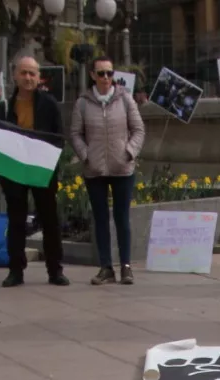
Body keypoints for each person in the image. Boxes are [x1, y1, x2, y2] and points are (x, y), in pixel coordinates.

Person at [0, 56, 68, 287]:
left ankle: (55, 270)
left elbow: (59, 138)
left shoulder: (49, 104)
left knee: (49, 220)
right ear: (15, 75)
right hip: (14, 170)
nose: (28, 78)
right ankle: (16, 270)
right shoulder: (4, 107)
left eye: (32, 73)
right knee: (16, 220)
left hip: (41, 169)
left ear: (38, 77)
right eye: (23, 73)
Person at [71, 55, 145, 285]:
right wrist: (86, 156)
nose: (106, 78)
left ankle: (125, 266)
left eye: (110, 73)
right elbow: (75, 133)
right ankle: (105, 267)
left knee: (122, 218)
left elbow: (138, 129)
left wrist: (129, 152)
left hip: (122, 168)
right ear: (92, 75)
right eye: (101, 73)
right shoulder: (82, 102)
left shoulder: (125, 100)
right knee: (100, 218)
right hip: (95, 171)